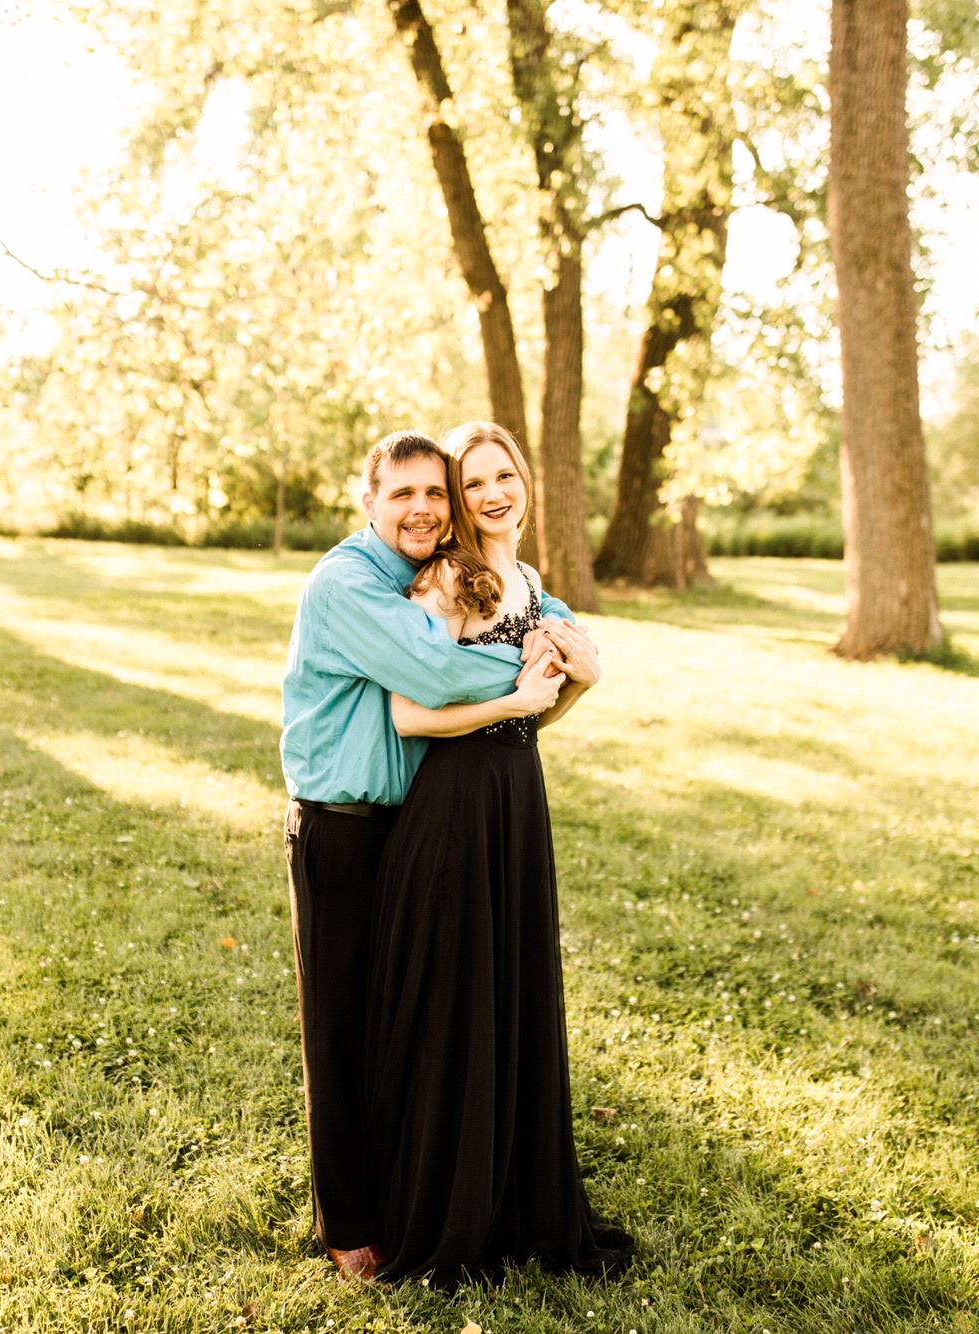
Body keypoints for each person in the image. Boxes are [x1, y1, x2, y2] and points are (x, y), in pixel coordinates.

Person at [279, 429, 593, 1281]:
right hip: (342, 826)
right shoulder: (350, 582)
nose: (422, 510)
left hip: (408, 821)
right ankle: (348, 1224)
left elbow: (518, 603)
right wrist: (537, 666)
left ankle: (409, 1190)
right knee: (342, 1028)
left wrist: (561, 636)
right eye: (403, 495)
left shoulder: (426, 570)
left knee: (405, 1020)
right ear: (369, 502)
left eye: (433, 494)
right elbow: (435, 672)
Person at [363, 421, 631, 1287]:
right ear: (459, 498)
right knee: (459, 1006)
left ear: (525, 483)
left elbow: (534, 712)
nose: (491, 494)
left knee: (512, 993)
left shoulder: (533, 584)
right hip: (455, 809)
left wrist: (576, 685)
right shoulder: (447, 579)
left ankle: (517, 1196)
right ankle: (448, 1210)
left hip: (518, 799)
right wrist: (512, 700)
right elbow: (411, 714)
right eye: (472, 482)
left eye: (502, 475)